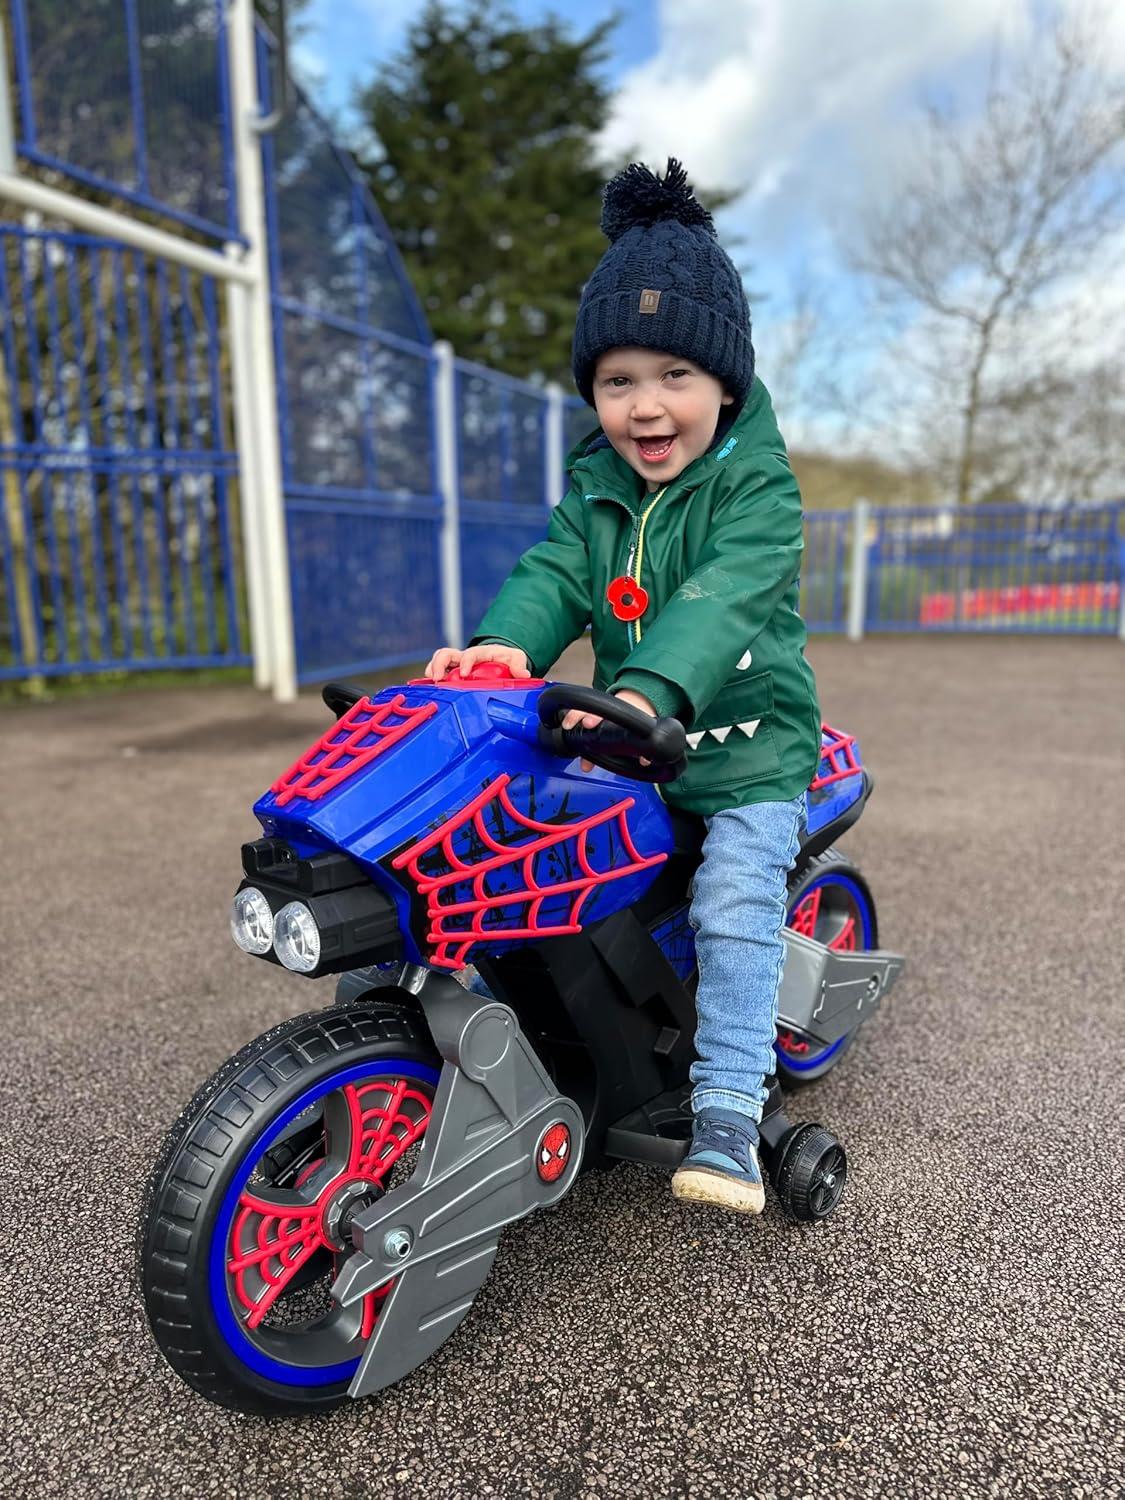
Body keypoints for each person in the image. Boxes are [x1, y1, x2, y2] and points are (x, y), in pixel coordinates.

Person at [425, 159, 820, 1215]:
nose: (645, 406)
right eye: (616, 381)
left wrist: (648, 687)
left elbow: (724, 600)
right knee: (535, 846)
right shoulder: (596, 481)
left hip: (745, 753)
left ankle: (731, 1105)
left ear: (725, 382)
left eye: (673, 375)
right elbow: (558, 570)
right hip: (633, 738)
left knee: (735, 899)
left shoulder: (759, 491)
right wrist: (506, 645)